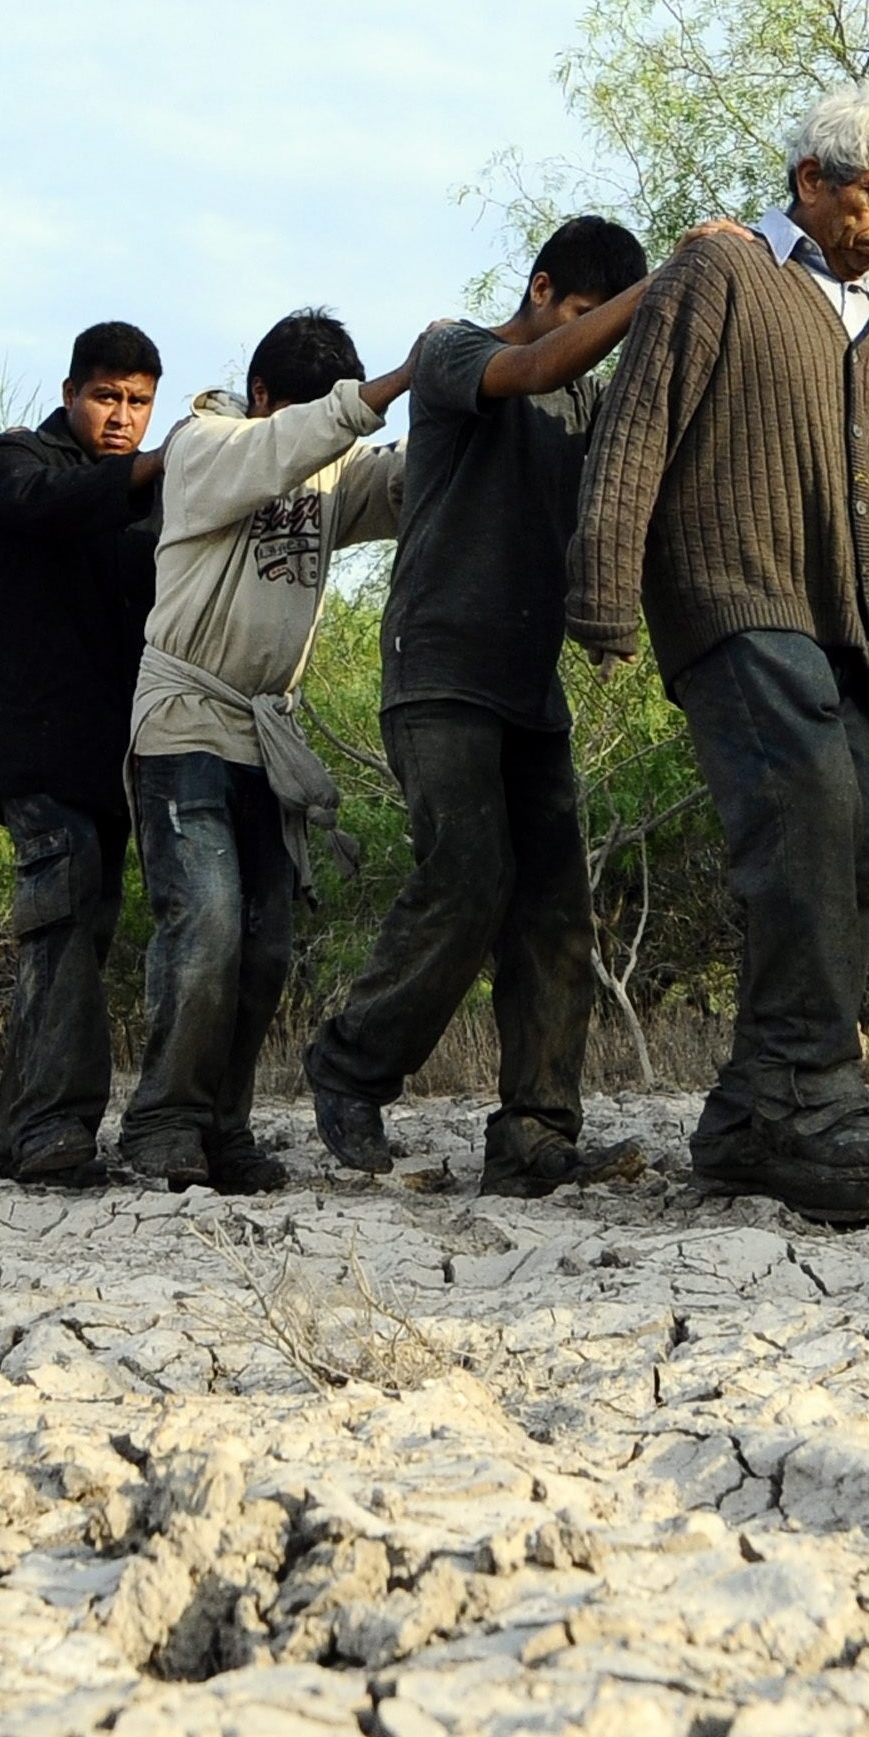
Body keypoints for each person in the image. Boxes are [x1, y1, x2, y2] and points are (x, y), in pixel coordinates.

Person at [567, 79, 869, 1228]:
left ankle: (764, 1104)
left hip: (841, 622)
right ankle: (801, 1107)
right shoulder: (721, 271)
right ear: (812, 180)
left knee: (853, 849)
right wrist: (604, 589)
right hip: (733, 597)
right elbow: (638, 422)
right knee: (806, 813)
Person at [303, 216, 726, 1196]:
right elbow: (534, 373)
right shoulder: (454, 351)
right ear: (540, 290)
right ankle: (351, 1061)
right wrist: (666, 282)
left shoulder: (589, 411)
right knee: (468, 875)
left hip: (531, 693)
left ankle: (535, 1130)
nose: (595, 338)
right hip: (439, 673)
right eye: (585, 315)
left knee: (554, 911)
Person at [122, 311, 412, 1192]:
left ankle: (224, 1127)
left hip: (264, 738)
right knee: (205, 925)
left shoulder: (328, 473)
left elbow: (408, 484)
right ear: (264, 398)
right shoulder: (204, 445)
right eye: (311, 411)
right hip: (184, 723)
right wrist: (386, 387)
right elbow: (286, 446)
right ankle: (162, 1122)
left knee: (266, 945)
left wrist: (484, 380)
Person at [0, 323, 169, 1187]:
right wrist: (165, 463)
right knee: (61, 922)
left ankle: (22, 1130)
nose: (123, 416)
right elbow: (44, 506)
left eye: (139, 403)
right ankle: (55, 1132)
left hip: (108, 756)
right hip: (36, 751)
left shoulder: (131, 493)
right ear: (70, 392)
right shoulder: (16, 459)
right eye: (108, 397)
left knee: (81, 934)